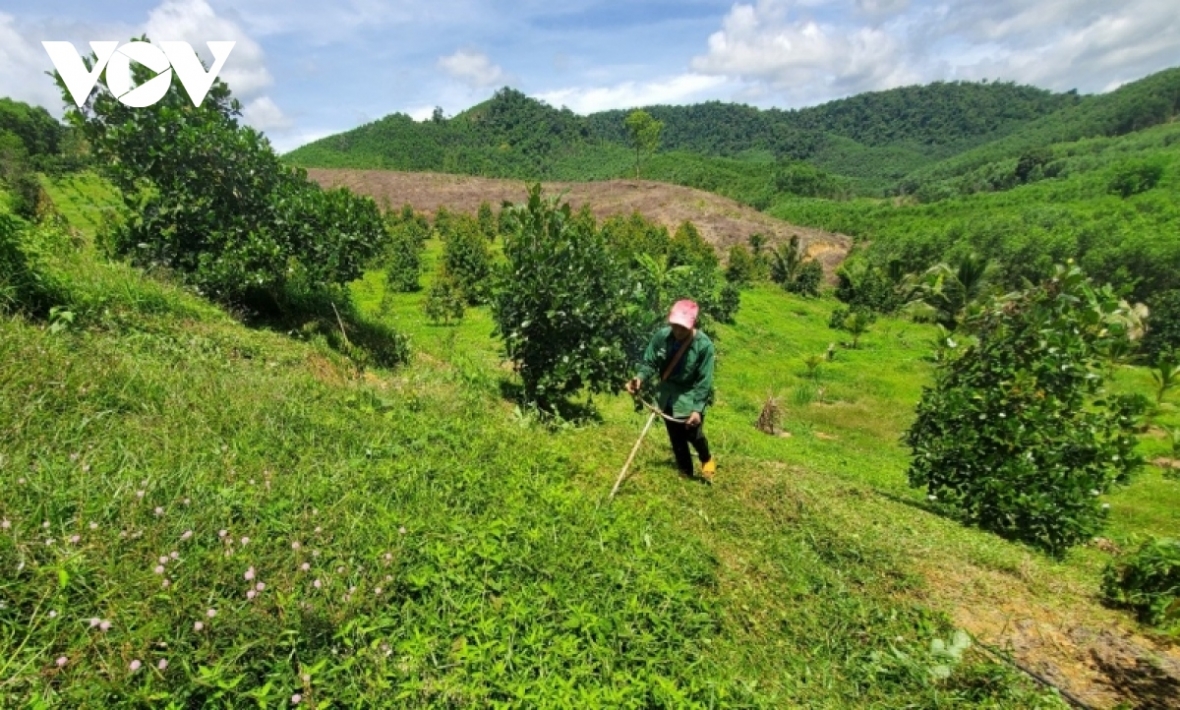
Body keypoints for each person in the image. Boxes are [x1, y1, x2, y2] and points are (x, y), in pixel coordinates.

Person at [626, 299, 717, 482]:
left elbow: (703, 380)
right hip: (667, 394)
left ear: (693, 325)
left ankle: (706, 459)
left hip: (690, 395)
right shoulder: (662, 337)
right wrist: (639, 379)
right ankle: (685, 473)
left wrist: (697, 409)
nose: (677, 331)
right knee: (676, 438)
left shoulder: (704, 346)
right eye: (675, 326)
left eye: (683, 328)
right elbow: (650, 362)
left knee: (693, 434)